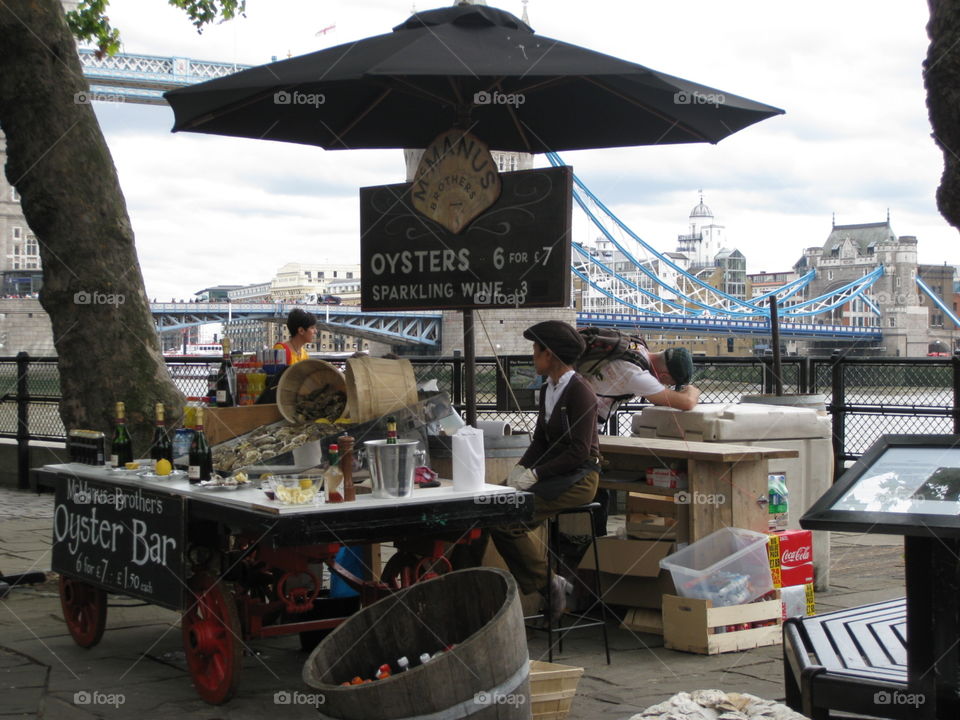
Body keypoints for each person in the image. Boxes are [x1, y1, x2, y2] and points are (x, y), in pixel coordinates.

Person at [490, 320, 601, 622]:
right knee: (488, 506)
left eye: (535, 350)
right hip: (554, 473)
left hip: (579, 479)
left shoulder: (581, 392)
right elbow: (540, 440)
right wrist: (520, 468)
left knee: (506, 521)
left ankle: (549, 584)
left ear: (549, 354)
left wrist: (536, 475)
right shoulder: (548, 389)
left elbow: (579, 451)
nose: (532, 357)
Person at [581, 344, 701, 428]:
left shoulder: (638, 347)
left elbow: (659, 399)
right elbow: (687, 402)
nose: (666, 386)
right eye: (670, 384)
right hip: (583, 424)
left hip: (572, 409)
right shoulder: (637, 375)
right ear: (664, 376)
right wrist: (692, 390)